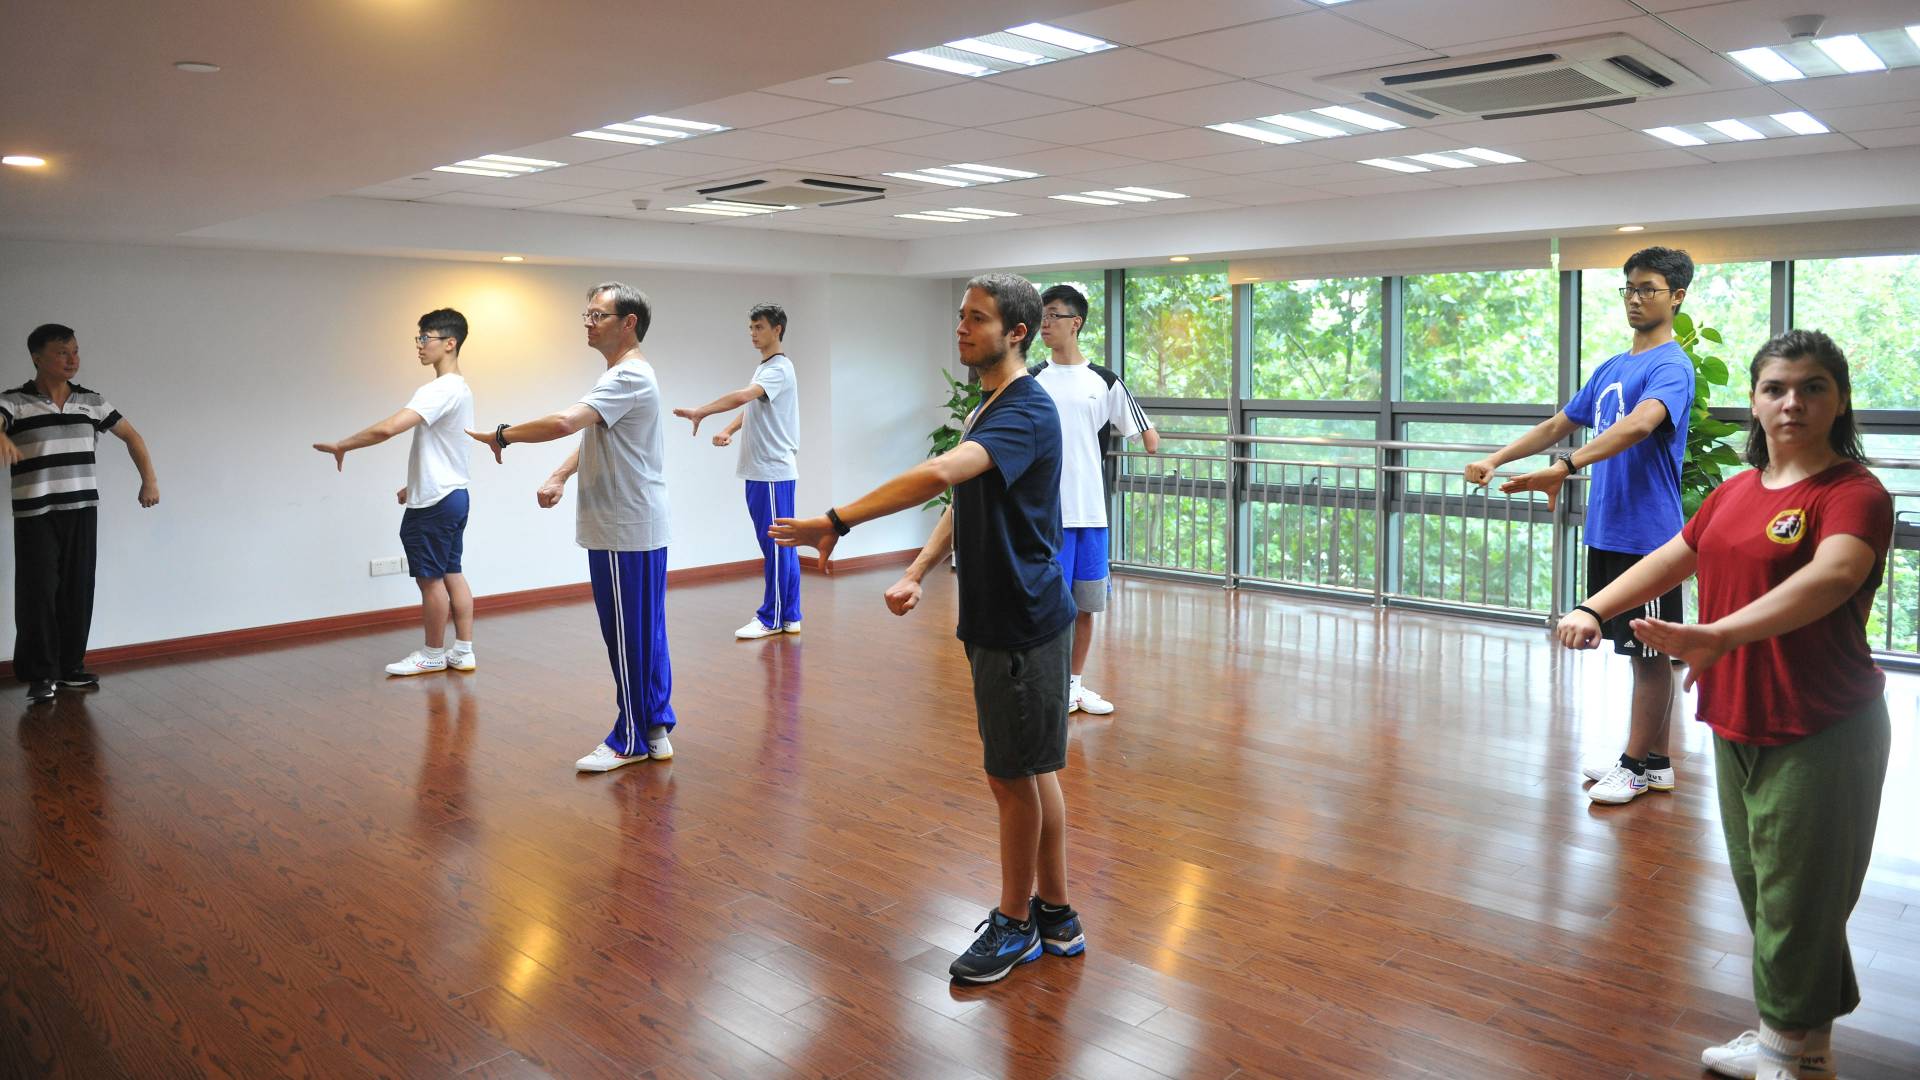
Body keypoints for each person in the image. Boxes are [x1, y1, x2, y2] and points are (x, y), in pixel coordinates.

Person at [1556, 330, 1891, 1080]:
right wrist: (1591, 605)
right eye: (1776, 388)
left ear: (1839, 401)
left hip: (1823, 720)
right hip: (1737, 711)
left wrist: (1715, 634)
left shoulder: (1853, 493)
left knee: (1800, 893)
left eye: (1812, 387)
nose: (1793, 402)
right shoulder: (1735, 492)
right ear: (1754, 401)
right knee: (1766, 887)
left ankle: (1788, 1050)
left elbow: (1833, 578)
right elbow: (1675, 556)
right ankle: (1801, 1043)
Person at [771, 273, 1082, 985]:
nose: (961, 329)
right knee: (1035, 769)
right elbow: (964, 499)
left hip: (1020, 621)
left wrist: (838, 520)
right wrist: (917, 570)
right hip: (1017, 616)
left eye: (977, 319)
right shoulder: (991, 406)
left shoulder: (1026, 410)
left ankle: (1015, 924)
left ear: (1017, 334)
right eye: (960, 317)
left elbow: (943, 471)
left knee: (1012, 779)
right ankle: (1057, 915)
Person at [1466, 246, 1697, 804]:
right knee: (1632, 654)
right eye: (1629, 289)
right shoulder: (1613, 367)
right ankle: (1655, 762)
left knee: (1649, 657)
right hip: (1610, 530)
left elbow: (1641, 425)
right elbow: (1559, 423)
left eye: (1649, 289)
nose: (1636, 299)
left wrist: (1566, 466)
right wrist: (1499, 458)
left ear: (1677, 297)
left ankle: (1636, 764)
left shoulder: (1672, 366)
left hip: (1650, 537)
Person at [467, 282, 675, 770]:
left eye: (598, 314)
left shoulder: (628, 376)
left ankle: (629, 739)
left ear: (629, 323)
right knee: (646, 632)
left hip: (625, 526)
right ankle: (654, 725)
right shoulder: (624, 378)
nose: (588, 321)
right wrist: (560, 474)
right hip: (631, 523)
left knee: (627, 634)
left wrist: (502, 434)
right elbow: (596, 436)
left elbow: (565, 422)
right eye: (586, 313)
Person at [313, 308, 478, 676]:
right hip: (453, 494)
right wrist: (414, 484)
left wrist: (344, 445)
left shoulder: (439, 389)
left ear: (450, 343)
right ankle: (463, 650)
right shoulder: (461, 389)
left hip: (436, 503)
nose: (419, 346)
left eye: (426, 338)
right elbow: (450, 447)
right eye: (418, 338)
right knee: (452, 571)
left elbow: (389, 428)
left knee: (430, 580)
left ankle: (433, 654)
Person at [2, 324, 160, 704]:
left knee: (77, 588)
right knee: (37, 593)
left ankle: (70, 668)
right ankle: (41, 674)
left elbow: (132, 437)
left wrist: (149, 481)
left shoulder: (92, 401)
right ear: (38, 357)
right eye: (62, 352)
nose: (72, 359)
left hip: (81, 509)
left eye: (75, 351)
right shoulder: (13, 401)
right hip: (36, 513)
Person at [1031, 283, 1158, 714]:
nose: (1045, 324)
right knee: (1052, 608)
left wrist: (1145, 434)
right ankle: (1044, 684)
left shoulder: (1103, 380)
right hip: (1047, 517)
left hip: (1093, 515)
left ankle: (1073, 685)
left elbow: (1149, 437)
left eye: (1053, 315)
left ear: (1076, 322)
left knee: (1086, 607)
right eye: (1041, 315)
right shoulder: (1030, 380)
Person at [671, 303, 802, 640]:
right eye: (751, 328)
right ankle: (790, 615)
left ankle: (771, 617)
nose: (753, 334)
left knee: (776, 546)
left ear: (777, 330)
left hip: (771, 471)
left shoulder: (779, 369)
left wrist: (703, 411)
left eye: (759, 327)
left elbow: (744, 396)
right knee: (781, 544)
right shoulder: (767, 369)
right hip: (763, 471)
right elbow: (755, 408)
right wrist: (729, 429)